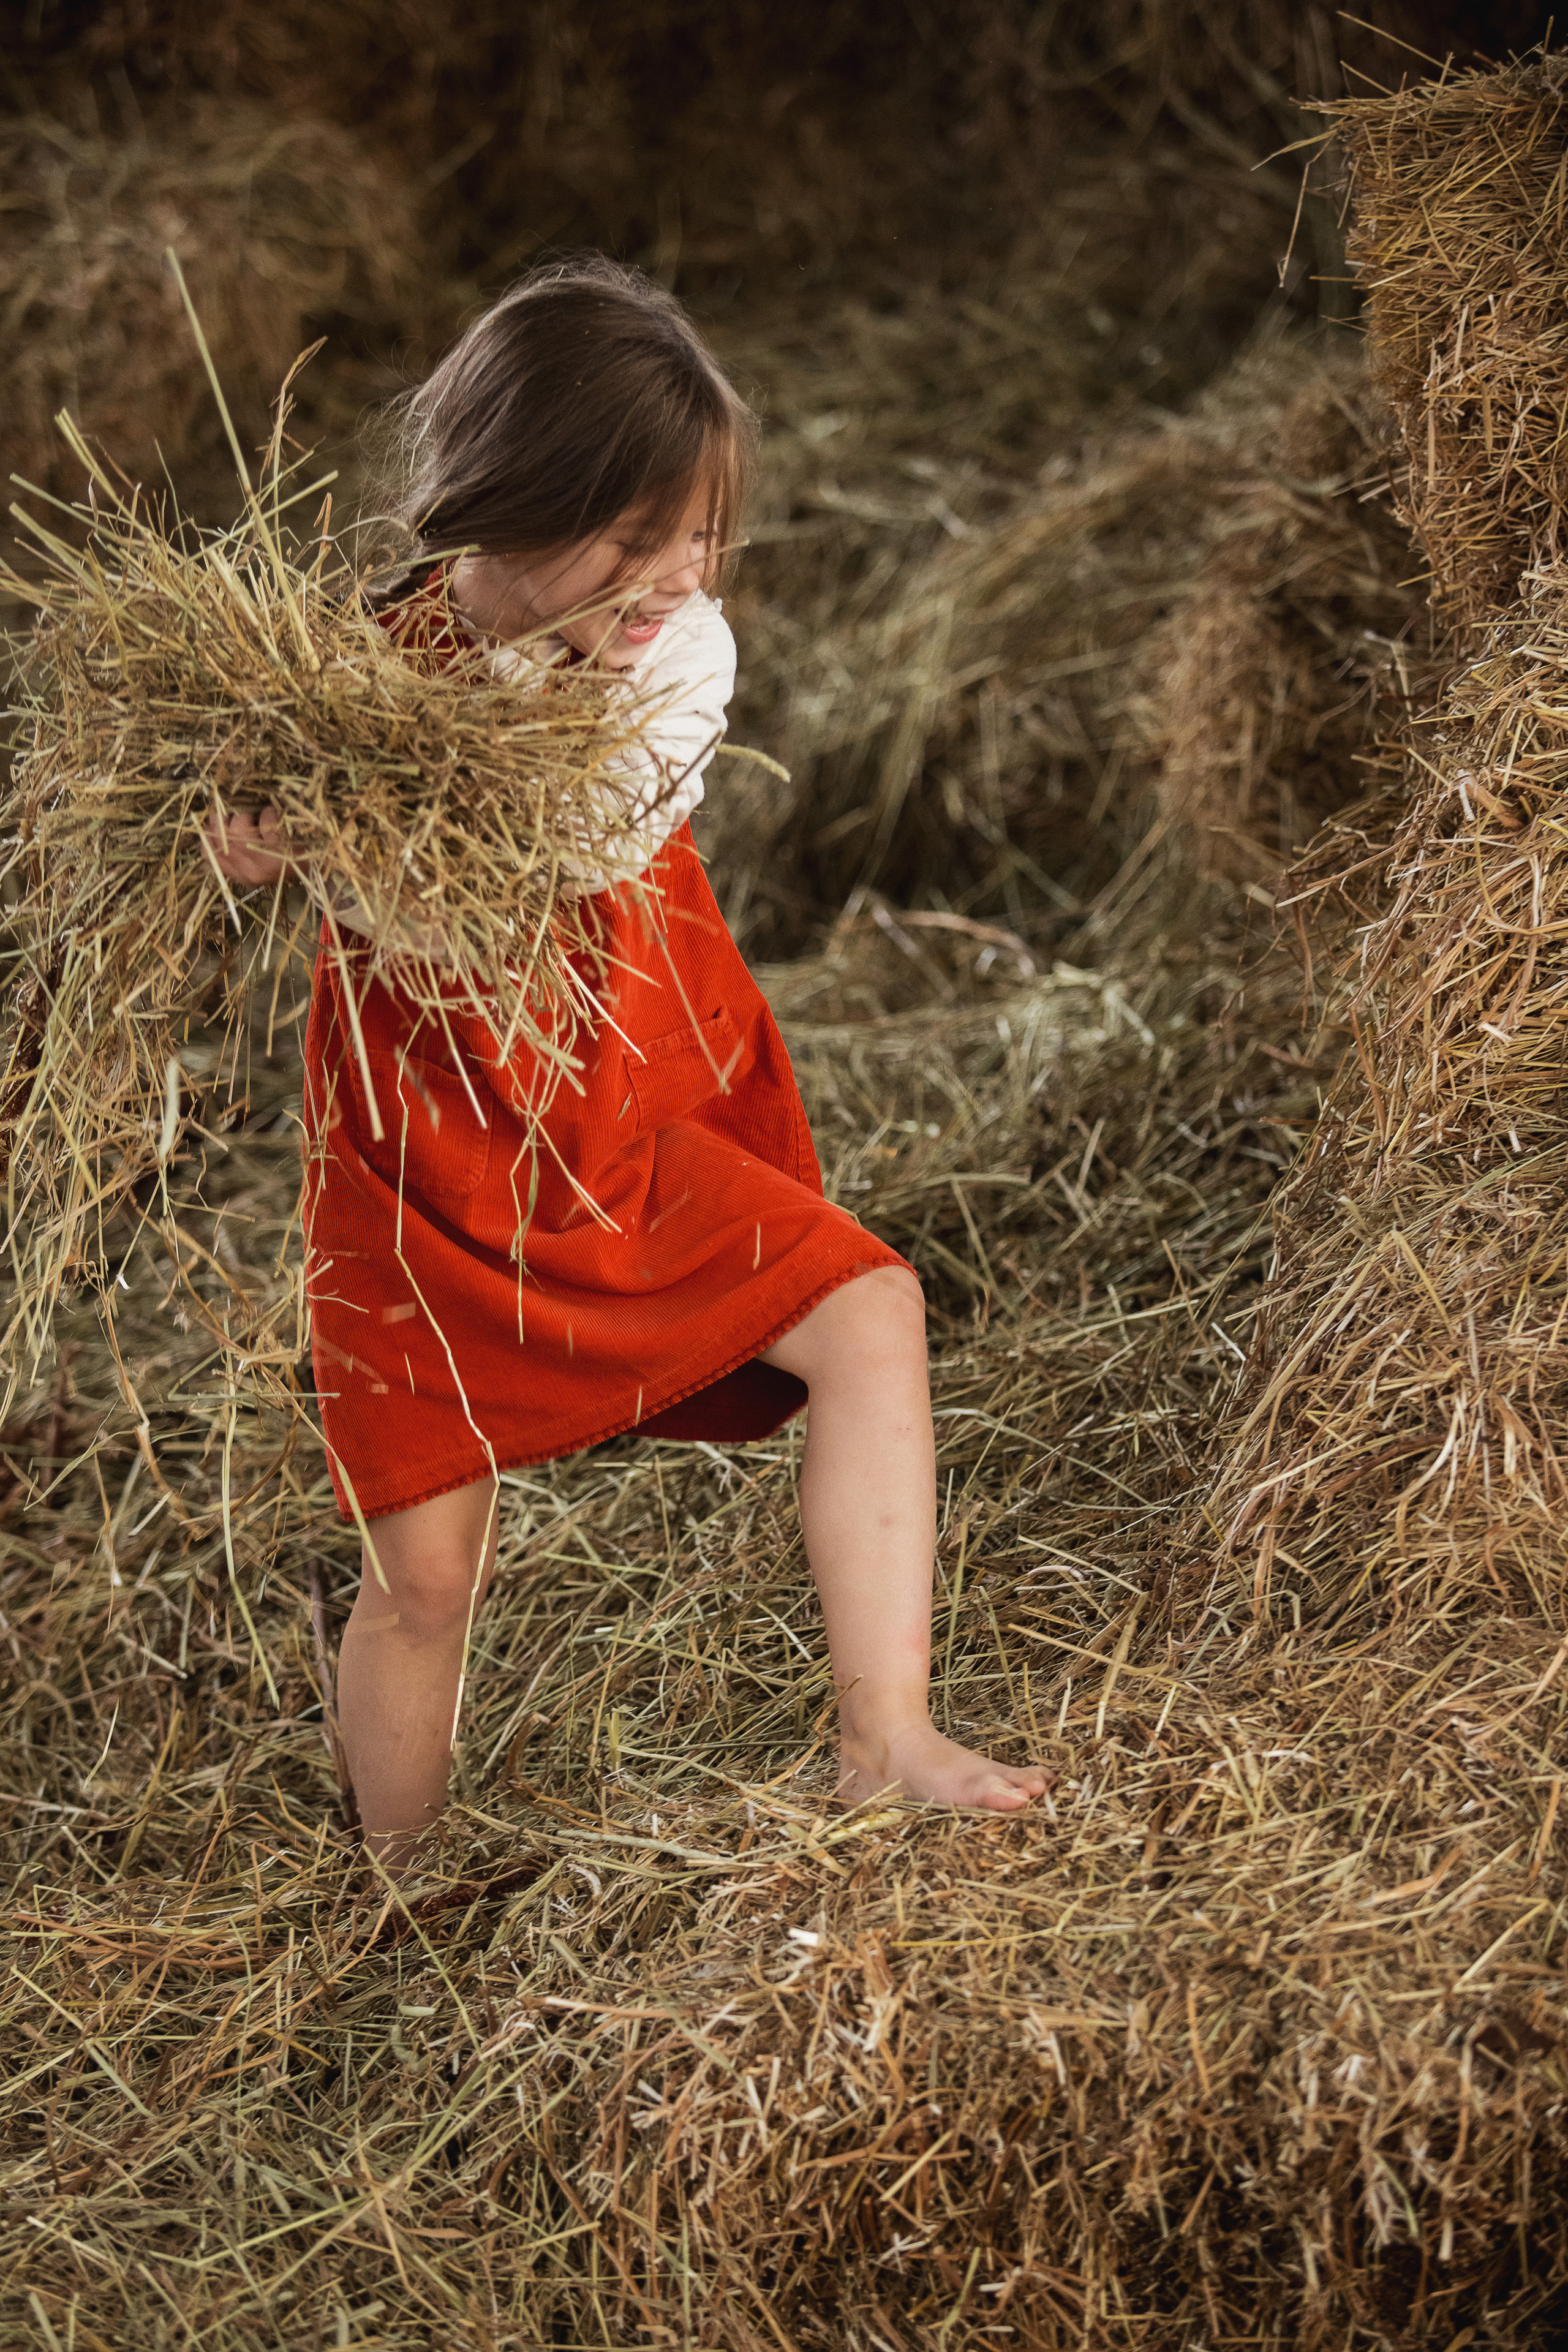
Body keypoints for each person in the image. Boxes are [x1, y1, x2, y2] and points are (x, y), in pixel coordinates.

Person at [209, 257, 1047, 1865]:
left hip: (613, 1112)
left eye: (701, 536)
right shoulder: (348, 671)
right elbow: (261, 831)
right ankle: (406, 1867)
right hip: (420, 1165)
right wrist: (253, 826)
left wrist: (362, 809)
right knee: (426, 1571)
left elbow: (559, 847)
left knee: (872, 1312)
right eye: (634, 536)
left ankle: (890, 1736)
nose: (677, 572)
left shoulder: (675, 663)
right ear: (505, 501)